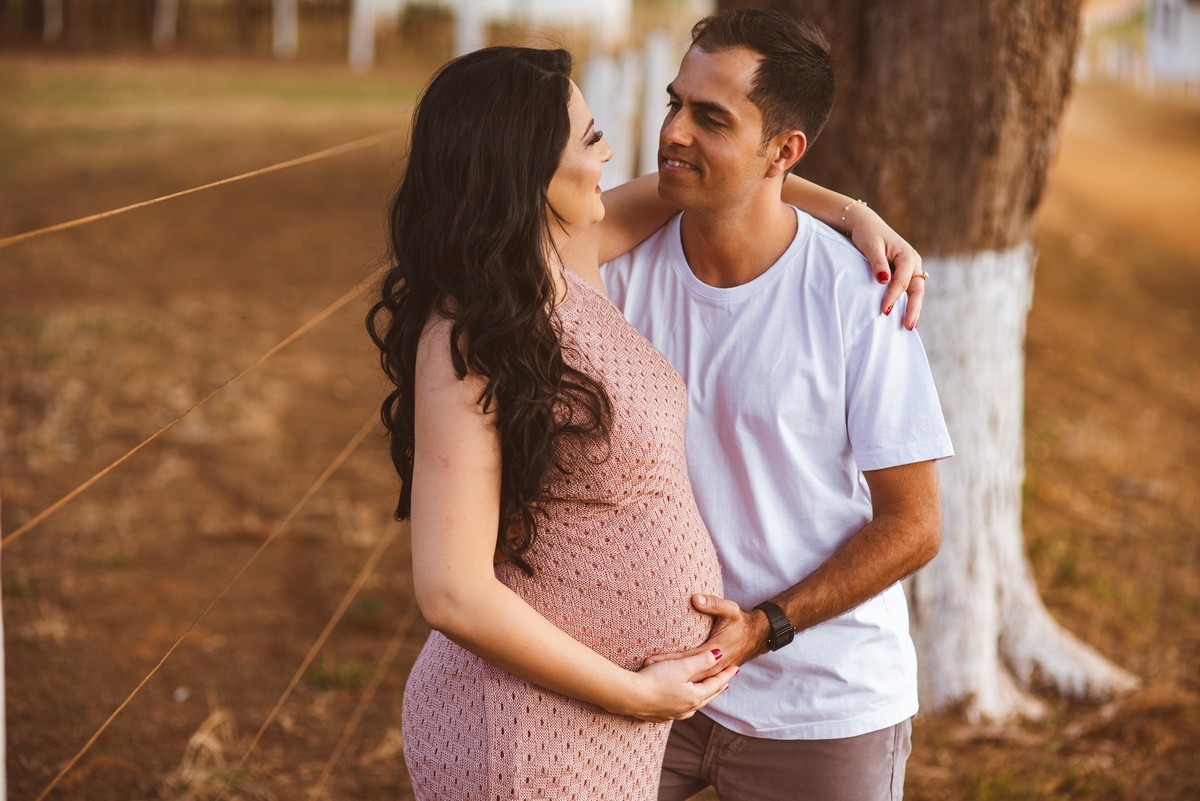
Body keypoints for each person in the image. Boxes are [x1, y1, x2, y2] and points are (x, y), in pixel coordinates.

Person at [368, 44, 926, 801]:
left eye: (707, 115)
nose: (652, 142)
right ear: (526, 167)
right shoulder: (482, 321)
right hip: (546, 725)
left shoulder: (571, 258)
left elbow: (737, 179)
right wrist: (633, 693)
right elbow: (450, 592)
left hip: (679, 711)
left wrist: (851, 213)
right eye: (591, 139)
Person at [595, 10, 955, 801]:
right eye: (674, 103)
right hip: (647, 684)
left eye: (710, 118)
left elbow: (915, 524)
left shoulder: (862, 296)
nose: (672, 132)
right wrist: (850, 205)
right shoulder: (616, 273)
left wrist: (764, 627)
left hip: (822, 702)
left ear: (784, 151)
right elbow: (524, 237)